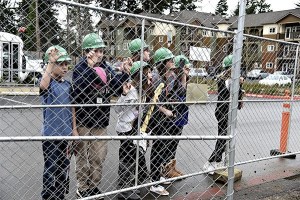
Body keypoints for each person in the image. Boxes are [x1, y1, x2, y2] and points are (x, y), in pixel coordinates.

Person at [72, 33, 130, 198]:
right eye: (96, 51)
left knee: (98, 157)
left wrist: (125, 73)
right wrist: (90, 68)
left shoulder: (106, 67)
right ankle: (83, 188)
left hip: (100, 121)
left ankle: (94, 186)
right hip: (83, 121)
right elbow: (79, 91)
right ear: (87, 52)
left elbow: (113, 86)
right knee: (83, 158)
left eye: (101, 51)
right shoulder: (80, 68)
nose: (99, 54)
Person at [39, 45, 77, 200]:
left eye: (66, 64)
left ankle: (60, 194)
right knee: (51, 167)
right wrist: (50, 62)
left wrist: (74, 129)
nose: (64, 67)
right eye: (60, 64)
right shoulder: (49, 84)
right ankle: (48, 196)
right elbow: (43, 85)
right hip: (50, 136)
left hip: (65, 135)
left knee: (63, 168)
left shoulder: (67, 85)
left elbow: (72, 108)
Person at [115, 61, 153, 200]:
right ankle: (125, 190)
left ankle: (134, 183)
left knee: (132, 156)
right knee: (128, 157)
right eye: (147, 73)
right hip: (125, 129)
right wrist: (124, 96)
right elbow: (118, 110)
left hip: (133, 128)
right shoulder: (131, 91)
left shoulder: (142, 91)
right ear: (140, 76)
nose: (150, 75)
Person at [203, 54, 244, 174]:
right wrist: (240, 84)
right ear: (229, 67)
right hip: (223, 112)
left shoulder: (232, 79)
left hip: (229, 112)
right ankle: (210, 163)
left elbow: (237, 96)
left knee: (227, 138)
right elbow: (232, 90)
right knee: (222, 138)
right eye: (234, 67)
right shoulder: (225, 80)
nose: (237, 69)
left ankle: (219, 161)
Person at [148, 47, 178, 196]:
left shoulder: (168, 76)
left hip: (163, 117)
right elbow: (153, 99)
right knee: (157, 147)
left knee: (162, 147)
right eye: (170, 60)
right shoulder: (155, 77)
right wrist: (164, 110)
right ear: (163, 62)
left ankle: (157, 176)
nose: (173, 62)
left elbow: (169, 94)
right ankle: (154, 182)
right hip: (154, 116)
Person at [160, 55, 191, 179]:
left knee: (174, 143)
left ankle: (171, 167)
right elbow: (177, 95)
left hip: (181, 115)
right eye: (186, 68)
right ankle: (166, 169)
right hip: (173, 117)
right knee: (169, 143)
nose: (188, 71)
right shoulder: (173, 79)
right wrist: (183, 77)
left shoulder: (181, 78)